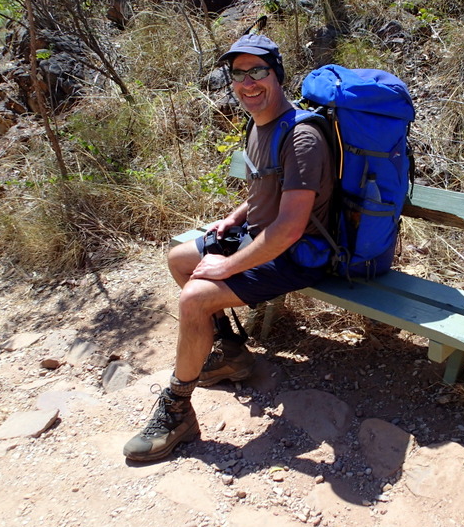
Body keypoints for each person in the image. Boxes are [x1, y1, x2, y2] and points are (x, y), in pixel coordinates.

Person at [123, 34, 335, 462]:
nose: (247, 82)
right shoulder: (260, 125)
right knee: (180, 259)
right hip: (260, 236)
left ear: (277, 75)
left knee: (195, 296)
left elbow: (290, 228)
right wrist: (237, 217)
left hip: (299, 254)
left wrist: (226, 267)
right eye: (238, 74)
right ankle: (231, 354)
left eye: (258, 71)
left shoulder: (302, 137)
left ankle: (177, 410)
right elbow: (267, 187)